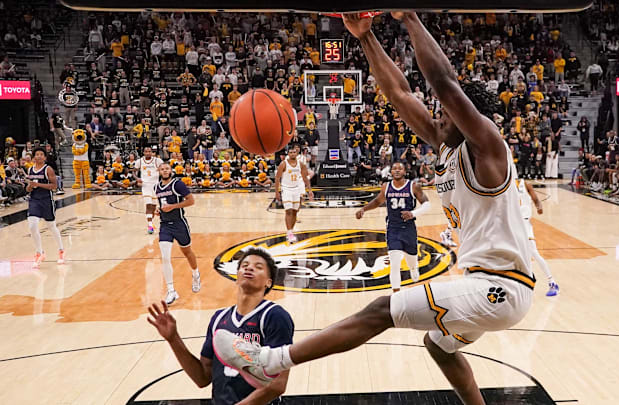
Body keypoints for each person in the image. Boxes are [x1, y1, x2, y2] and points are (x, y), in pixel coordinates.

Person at [213, 13, 534, 405]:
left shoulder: (487, 147)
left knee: (382, 309)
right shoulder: (445, 145)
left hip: (498, 286)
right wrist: (365, 38)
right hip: (488, 283)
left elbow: (444, 82)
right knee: (439, 346)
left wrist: (409, 15)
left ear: (466, 115)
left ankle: (271, 360)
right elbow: (399, 94)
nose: (438, 112)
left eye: (446, 110)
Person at [146, 247, 293, 404]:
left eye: (258, 267)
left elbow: (277, 384)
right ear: (236, 277)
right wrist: (173, 338)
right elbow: (202, 377)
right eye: (244, 266)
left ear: (268, 282)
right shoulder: (218, 319)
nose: (249, 268)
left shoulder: (274, 316)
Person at [355, 161, 430, 292]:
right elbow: (378, 201)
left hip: (409, 229)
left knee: (411, 259)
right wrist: (364, 209)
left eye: (399, 168)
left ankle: (413, 267)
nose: (396, 170)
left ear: (404, 172)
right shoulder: (386, 187)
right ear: (391, 172)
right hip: (393, 229)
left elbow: (427, 204)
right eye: (394, 168)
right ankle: (396, 295)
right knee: (394, 264)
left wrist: (412, 213)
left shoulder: (413, 186)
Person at [154, 163, 201, 304]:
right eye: (162, 169)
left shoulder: (177, 184)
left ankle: (196, 274)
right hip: (164, 225)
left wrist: (173, 207)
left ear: (171, 170)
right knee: (165, 257)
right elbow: (162, 204)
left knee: (187, 252)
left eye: (167, 168)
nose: (165, 171)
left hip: (179, 223)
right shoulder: (156, 187)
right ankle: (171, 290)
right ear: (159, 171)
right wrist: (159, 210)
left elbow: (191, 201)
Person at [515, 166, 558, 296]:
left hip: (524, 222)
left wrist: (539, 207)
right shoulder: (506, 188)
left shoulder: (526, 184)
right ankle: (523, 284)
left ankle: (552, 282)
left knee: (533, 252)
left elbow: (536, 200)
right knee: (519, 255)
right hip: (515, 224)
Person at [26, 148, 65, 267]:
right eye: (36, 154)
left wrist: (38, 184)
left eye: (41, 154)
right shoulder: (30, 169)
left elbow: (54, 186)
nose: (39, 156)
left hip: (46, 200)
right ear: (33, 157)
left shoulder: (48, 169)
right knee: (32, 226)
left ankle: (61, 250)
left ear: (45, 157)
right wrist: (30, 187)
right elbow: (28, 188)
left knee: (51, 226)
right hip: (34, 200)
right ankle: (39, 252)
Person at [274, 145, 313, 244]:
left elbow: (305, 178)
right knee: (288, 211)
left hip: (297, 189)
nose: (292, 154)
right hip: (286, 189)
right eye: (290, 152)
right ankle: (289, 233)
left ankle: (291, 229)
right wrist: (277, 192)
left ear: (297, 153)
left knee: (295, 212)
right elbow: (277, 178)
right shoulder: (283, 164)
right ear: (288, 153)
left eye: (294, 152)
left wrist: (310, 190)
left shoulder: (301, 164)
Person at [135, 147, 163, 234]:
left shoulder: (157, 161)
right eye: (146, 151)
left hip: (155, 185)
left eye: (149, 151)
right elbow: (133, 171)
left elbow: (165, 168)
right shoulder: (139, 161)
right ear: (143, 152)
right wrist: (137, 178)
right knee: (148, 205)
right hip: (145, 185)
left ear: (152, 152)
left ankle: (150, 222)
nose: (148, 153)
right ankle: (150, 225)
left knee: (153, 207)